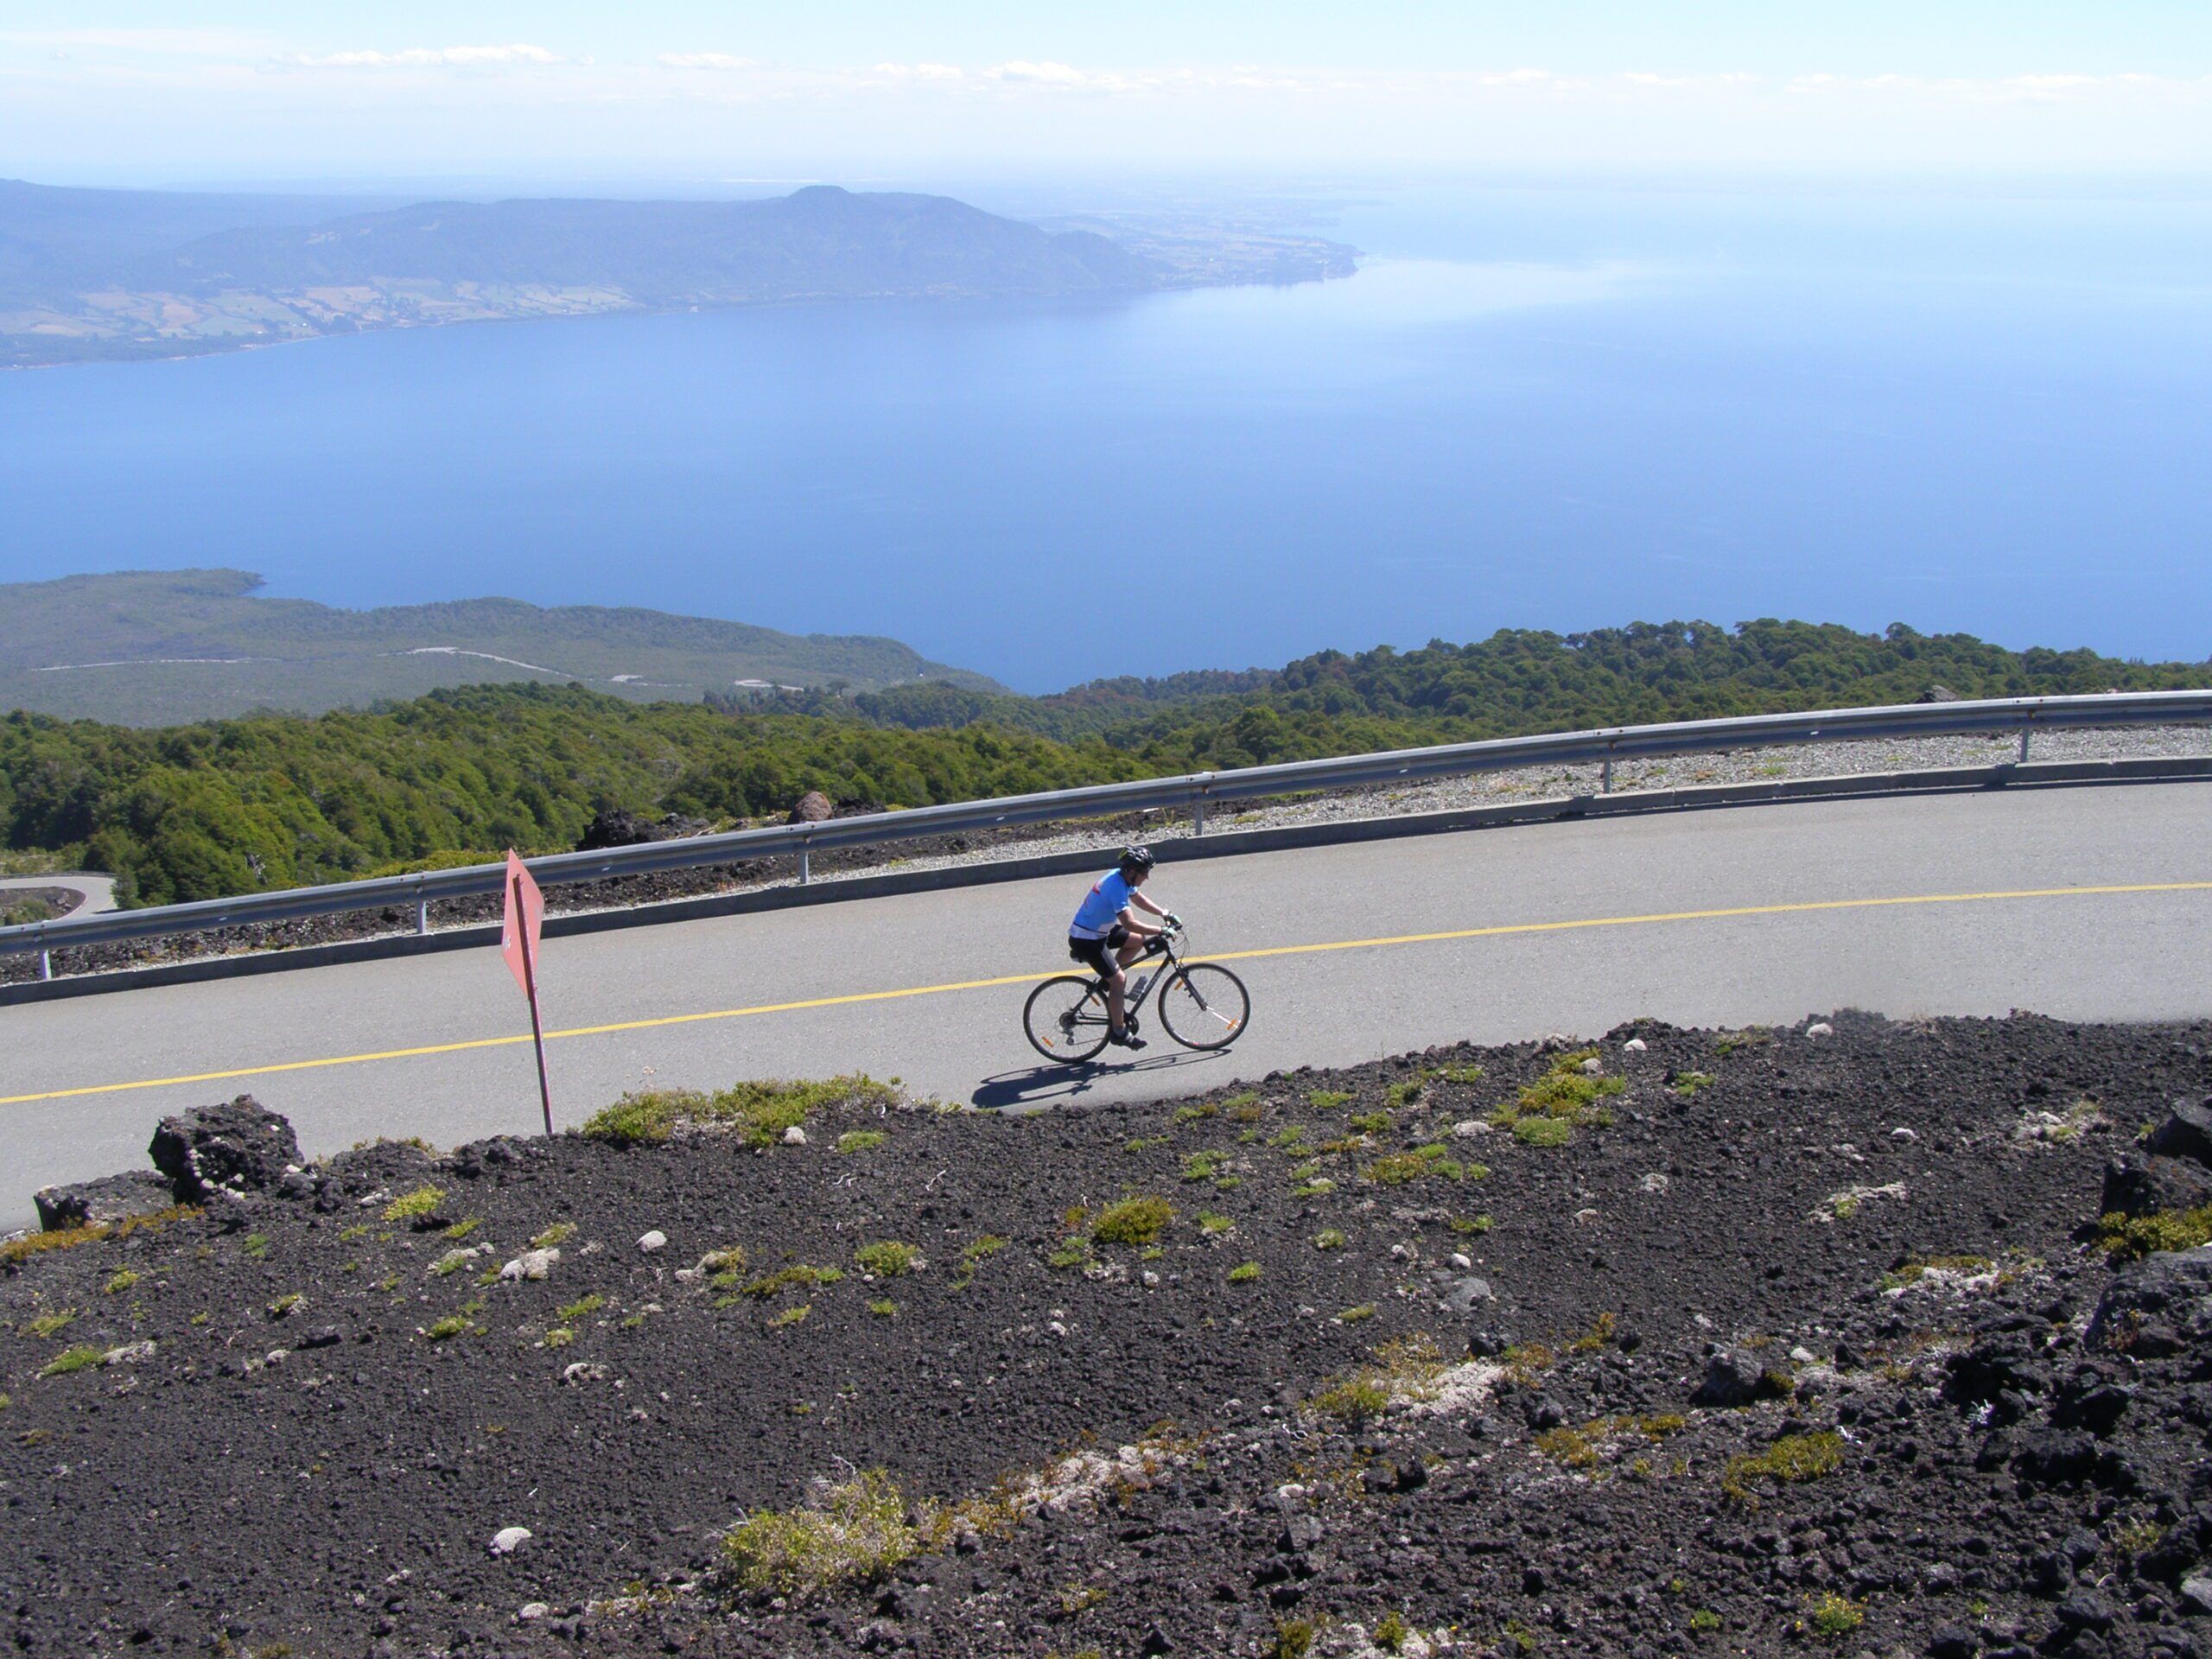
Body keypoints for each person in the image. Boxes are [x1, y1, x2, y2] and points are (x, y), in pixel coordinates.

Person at [1067, 846, 1179, 1049]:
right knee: (1119, 980)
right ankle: (1118, 1032)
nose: (1147, 877)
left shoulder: (1123, 877)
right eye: (1144, 873)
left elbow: (1138, 898)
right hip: (1086, 939)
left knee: (1138, 940)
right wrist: (1161, 930)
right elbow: (1129, 923)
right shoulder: (1115, 887)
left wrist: (1165, 913)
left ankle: (1107, 984)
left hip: (1098, 931)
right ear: (1131, 871)